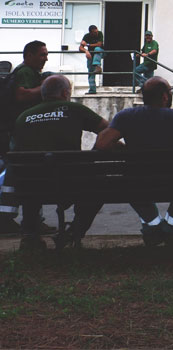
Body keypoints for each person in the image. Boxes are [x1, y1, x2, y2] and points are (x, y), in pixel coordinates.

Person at [66, 76, 173, 247]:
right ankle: (171, 228)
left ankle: (153, 227)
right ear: (165, 97)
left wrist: (125, 151)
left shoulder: (127, 116)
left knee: (131, 183)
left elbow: (102, 143)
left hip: (137, 182)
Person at [10, 75, 108, 251]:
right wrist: (93, 154)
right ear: (65, 92)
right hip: (71, 183)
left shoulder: (23, 117)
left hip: (31, 186)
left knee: (29, 177)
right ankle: (74, 233)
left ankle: (30, 236)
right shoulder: (74, 109)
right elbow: (107, 130)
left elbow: (17, 152)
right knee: (99, 183)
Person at [0, 40, 50, 233]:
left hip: (14, 131)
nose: (45, 58)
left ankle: (23, 220)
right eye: (41, 54)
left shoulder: (24, 72)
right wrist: (46, 87)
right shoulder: (25, 72)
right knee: (24, 176)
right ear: (28, 55)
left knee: (17, 177)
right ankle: (28, 222)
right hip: (17, 134)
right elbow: (22, 96)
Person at [79, 25, 104, 94]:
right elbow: (80, 47)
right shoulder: (87, 36)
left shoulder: (100, 33)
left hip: (100, 52)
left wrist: (88, 45)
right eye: (94, 32)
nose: (96, 33)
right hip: (91, 55)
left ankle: (97, 65)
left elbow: (99, 44)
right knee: (91, 72)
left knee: (97, 49)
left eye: (97, 31)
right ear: (91, 33)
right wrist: (86, 51)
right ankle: (92, 90)